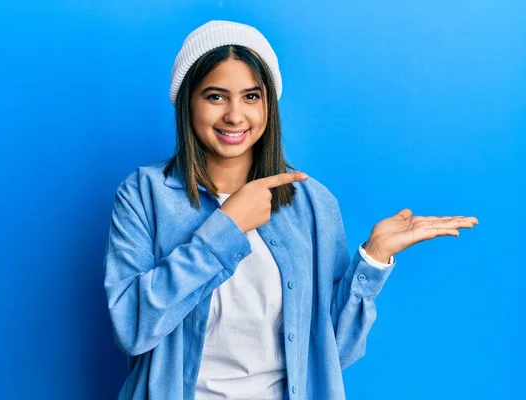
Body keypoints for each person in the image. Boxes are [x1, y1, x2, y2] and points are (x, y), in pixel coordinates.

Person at [103, 20, 478, 400]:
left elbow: (335, 353)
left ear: (269, 104)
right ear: (188, 101)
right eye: (216, 96)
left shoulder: (313, 203)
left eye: (251, 96)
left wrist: (374, 259)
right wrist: (227, 228)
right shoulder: (143, 195)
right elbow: (132, 328)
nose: (235, 115)